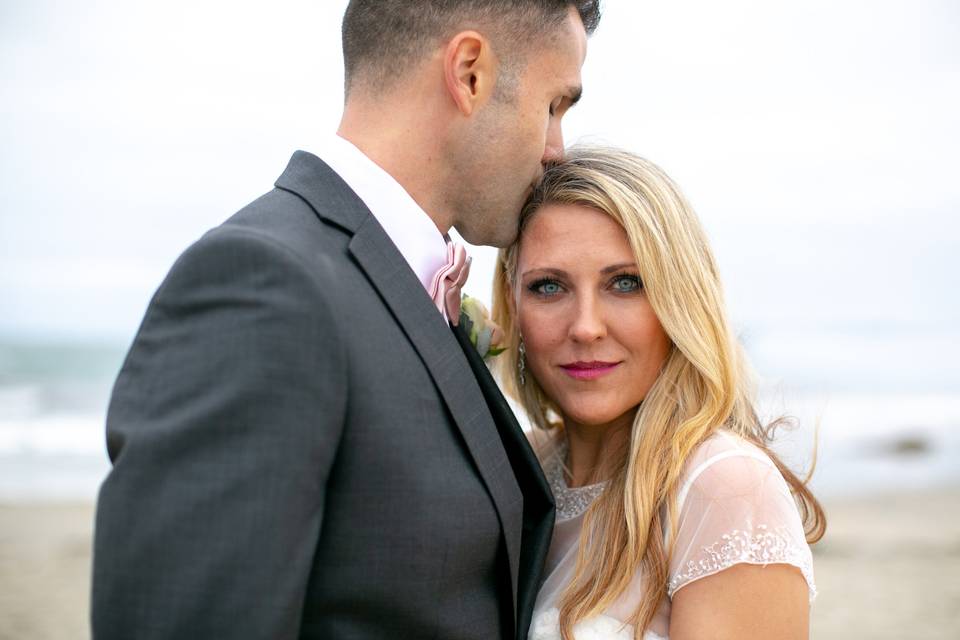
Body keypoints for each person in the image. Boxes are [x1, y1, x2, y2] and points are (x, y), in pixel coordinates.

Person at [91, 2, 601, 639]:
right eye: (554, 106)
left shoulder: (395, 280)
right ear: (469, 73)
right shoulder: (264, 288)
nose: (557, 149)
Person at [491, 146, 826, 640]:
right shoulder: (520, 470)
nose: (585, 327)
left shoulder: (722, 488)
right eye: (548, 287)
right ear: (513, 306)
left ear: (680, 301)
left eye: (626, 283)